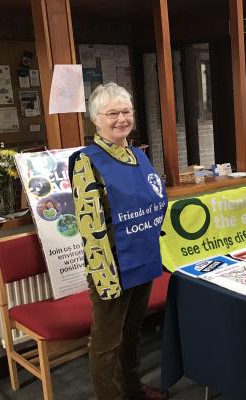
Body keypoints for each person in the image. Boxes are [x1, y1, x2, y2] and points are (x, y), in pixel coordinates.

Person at [70, 83, 168, 400]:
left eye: (126, 111)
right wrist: (105, 276)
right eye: (112, 113)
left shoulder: (137, 155)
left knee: (132, 333)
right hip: (111, 265)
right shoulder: (88, 161)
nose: (121, 119)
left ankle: (132, 388)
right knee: (106, 343)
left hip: (142, 258)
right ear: (96, 119)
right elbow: (90, 224)